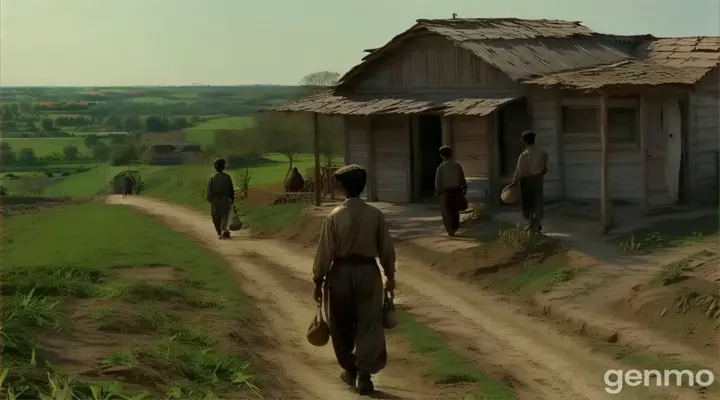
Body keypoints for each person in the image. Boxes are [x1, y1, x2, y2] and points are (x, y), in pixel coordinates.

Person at [312, 164, 396, 395]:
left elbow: (324, 253)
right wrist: (390, 275)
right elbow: (386, 250)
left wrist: (318, 281)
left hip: (340, 274)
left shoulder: (334, 217)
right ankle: (364, 374)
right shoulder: (375, 215)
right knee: (369, 323)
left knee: (340, 324)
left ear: (341, 187)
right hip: (369, 273)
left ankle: (350, 368)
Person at [511, 131, 548, 232]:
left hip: (526, 181)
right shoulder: (543, 152)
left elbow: (520, 171)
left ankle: (532, 224)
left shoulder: (524, 155)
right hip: (538, 180)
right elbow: (545, 170)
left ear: (525, 141)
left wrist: (514, 181)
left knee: (527, 204)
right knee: (537, 202)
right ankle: (536, 223)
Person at [434, 146, 467, 237]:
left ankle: (450, 229)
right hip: (457, 190)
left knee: (447, 211)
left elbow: (438, 181)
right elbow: (462, 178)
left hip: (446, 192)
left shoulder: (441, 167)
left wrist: (438, 191)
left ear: (441, 156)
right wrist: (464, 187)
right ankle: (455, 227)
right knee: (455, 210)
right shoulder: (457, 165)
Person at [206, 158, 236, 239]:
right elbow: (231, 189)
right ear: (223, 167)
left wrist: (210, 200)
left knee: (216, 217)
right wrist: (232, 199)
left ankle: (220, 233)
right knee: (224, 216)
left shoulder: (212, 177)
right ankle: (224, 230)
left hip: (215, 200)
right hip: (225, 199)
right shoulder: (227, 177)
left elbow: (209, 190)